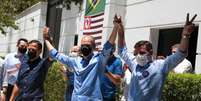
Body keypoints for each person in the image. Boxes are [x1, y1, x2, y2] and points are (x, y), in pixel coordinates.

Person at [117, 13, 197, 101]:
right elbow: (122, 50)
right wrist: (120, 26)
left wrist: (185, 35)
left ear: (151, 52)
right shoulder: (134, 63)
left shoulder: (161, 66)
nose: (138, 56)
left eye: (142, 52)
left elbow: (180, 54)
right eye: (136, 53)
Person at [43, 15, 120, 101]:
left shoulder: (99, 60)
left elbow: (108, 46)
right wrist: (46, 40)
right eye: (83, 45)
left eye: (88, 45)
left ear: (94, 47)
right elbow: (56, 55)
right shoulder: (75, 61)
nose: (85, 47)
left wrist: (116, 26)